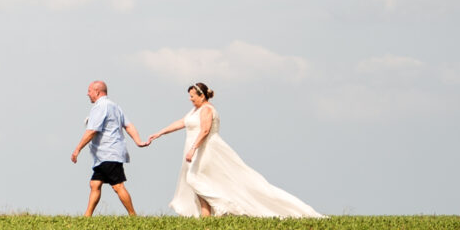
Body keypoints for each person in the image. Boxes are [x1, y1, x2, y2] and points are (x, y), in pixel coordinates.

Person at [135, 82, 322, 219]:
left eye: (192, 96)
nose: (190, 99)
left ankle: (223, 205)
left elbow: (205, 131)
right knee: (199, 181)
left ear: (202, 96)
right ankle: (206, 216)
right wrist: (159, 133)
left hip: (206, 149)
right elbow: (181, 123)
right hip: (195, 149)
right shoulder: (194, 111)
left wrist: (193, 149)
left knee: (194, 179)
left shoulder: (207, 110)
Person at [68, 79, 139, 217]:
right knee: (95, 184)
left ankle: (133, 215)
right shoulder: (115, 106)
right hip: (104, 155)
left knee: (118, 186)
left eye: (89, 91)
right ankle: (87, 216)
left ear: (97, 91)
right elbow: (128, 125)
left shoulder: (100, 107)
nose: (87, 94)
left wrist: (77, 149)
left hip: (109, 153)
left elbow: (92, 131)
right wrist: (138, 141)